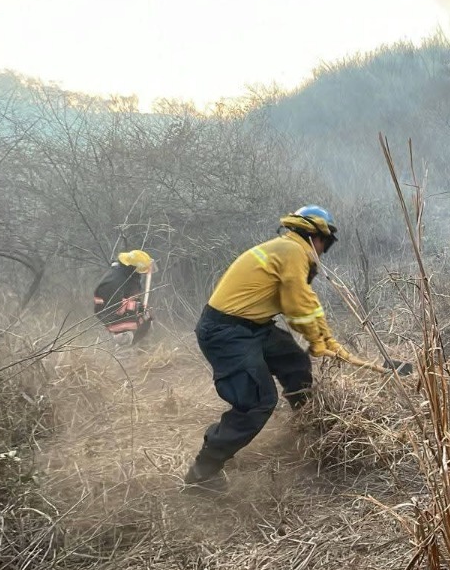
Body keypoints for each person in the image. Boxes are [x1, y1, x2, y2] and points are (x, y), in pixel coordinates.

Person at [183, 206, 352, 493]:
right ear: (316, 236)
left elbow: (305, 302)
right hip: (227, 333)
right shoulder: (293, 252)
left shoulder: (289, 249)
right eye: (326, 242)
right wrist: (317, 340)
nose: (324, 251)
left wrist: (327, 339)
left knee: (294, 363)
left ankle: (311, 427)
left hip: (253, 326)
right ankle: (203, 473)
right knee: (257, 402)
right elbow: (297, 306)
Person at [93, 250, 154, 347]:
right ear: (134, 268)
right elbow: (113, 306)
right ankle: (121, 360)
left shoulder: (128, 274)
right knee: (125, 337)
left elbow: (130, 295)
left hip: (121, 310)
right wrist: (134, 308)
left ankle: (142, 354)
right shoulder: (114, 281)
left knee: (146, 322)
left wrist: (139, 307)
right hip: (109, 313)